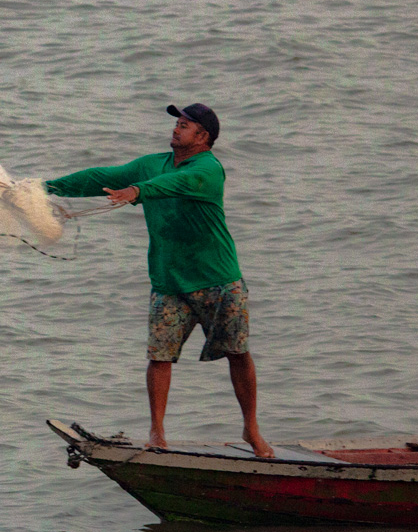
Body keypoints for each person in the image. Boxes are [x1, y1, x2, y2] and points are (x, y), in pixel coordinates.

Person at [44, 103, 272, 457]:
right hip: (168, 283)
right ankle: (157, 432)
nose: (177, 128)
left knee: (238, 354)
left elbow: (175, 184)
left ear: (203, 138)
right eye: (177, 123)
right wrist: (47, 188)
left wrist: (137, 192)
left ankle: (251, 429)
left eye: (186, 125)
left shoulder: (209, 169)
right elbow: (101, 175)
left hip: (218, 282)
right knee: (159, 357)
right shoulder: (152, 164)